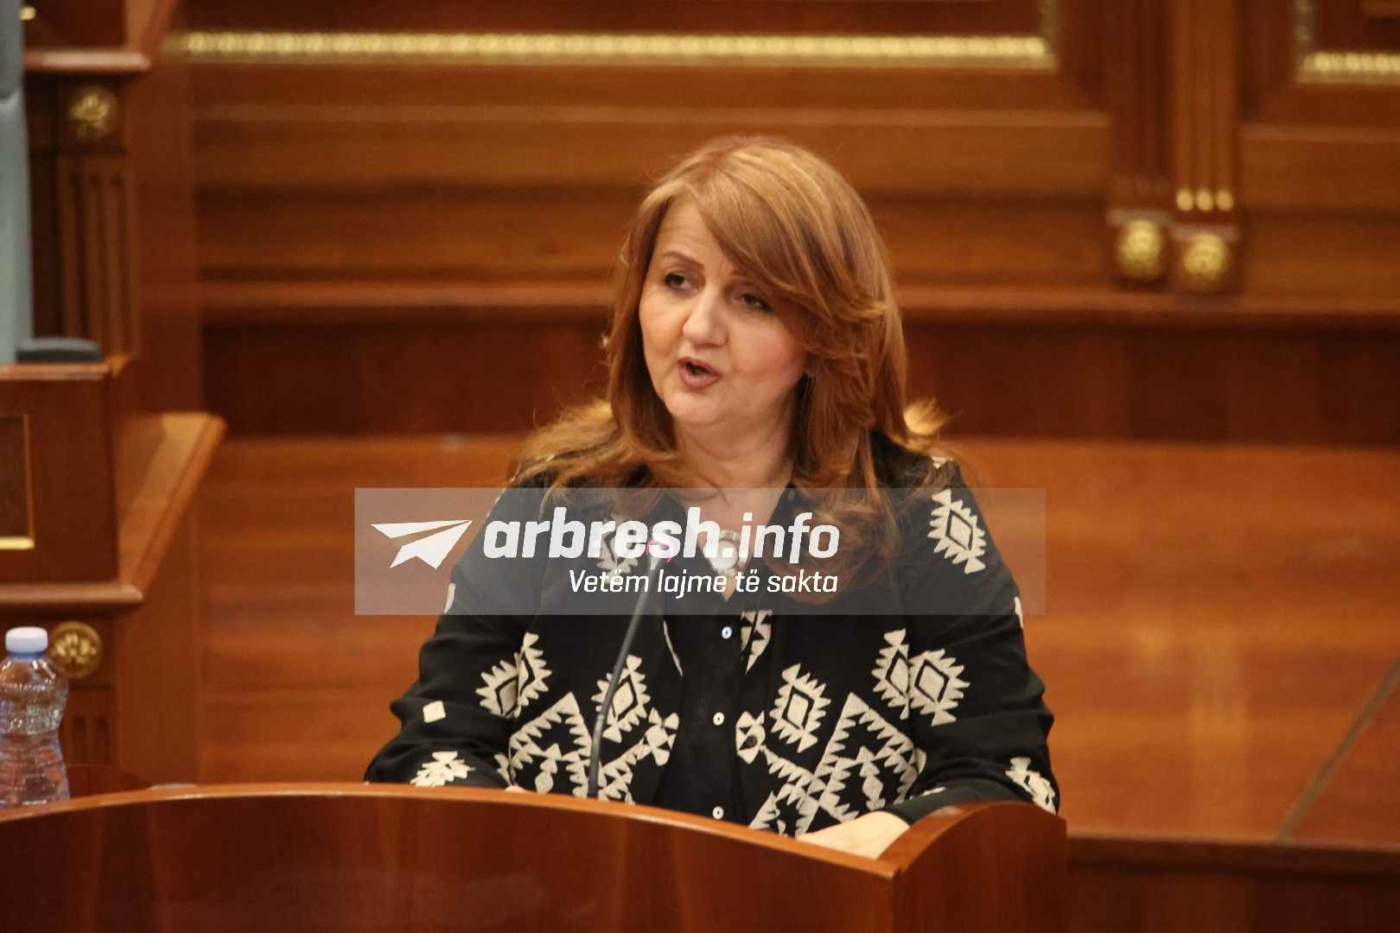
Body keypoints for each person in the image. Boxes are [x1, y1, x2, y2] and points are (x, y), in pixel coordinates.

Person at [365, 136, 1057, 858]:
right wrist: (556, 858)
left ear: (823, 337)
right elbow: (429, 752)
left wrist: (813, 876)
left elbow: (1007, 783)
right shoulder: (554, 503)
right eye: (677, 281)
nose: (698, 327)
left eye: (752, 299)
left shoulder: (917, 518)